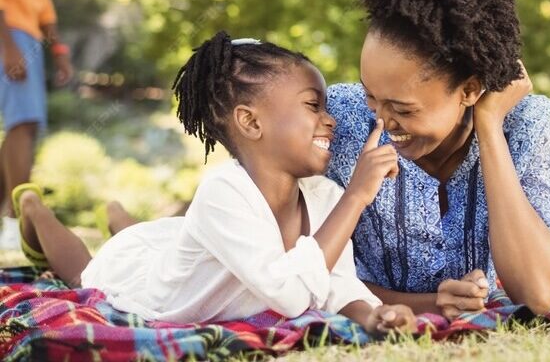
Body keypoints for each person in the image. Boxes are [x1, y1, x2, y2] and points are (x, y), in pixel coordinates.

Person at [13, 33, 417, 333]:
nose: (329, 119)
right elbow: (292, 295)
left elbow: (335, 282)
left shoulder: (324, 196)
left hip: (184, 248)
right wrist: (358, 196)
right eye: (313, 105)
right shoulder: (223, 192)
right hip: (153, 286)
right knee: (88, 270)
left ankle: (119, 217)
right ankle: (35, 208)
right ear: (251, 122)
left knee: (155, 239)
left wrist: (371, 313)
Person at [326, 0, 550, 317]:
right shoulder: (340, 118)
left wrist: (489, 127)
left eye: (403, 109)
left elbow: (536, 293)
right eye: (371, 95)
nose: (382, 120)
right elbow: (302, 270)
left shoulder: (526, 123)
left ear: (471, 90)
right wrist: (431, 305)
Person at [0, 0, 73, 250]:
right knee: (24, 124)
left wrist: (58, 47)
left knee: (21, 127)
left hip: (27, 32)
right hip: (7, 29)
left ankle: (5, 226)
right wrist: (7, 43)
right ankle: (16, 226)